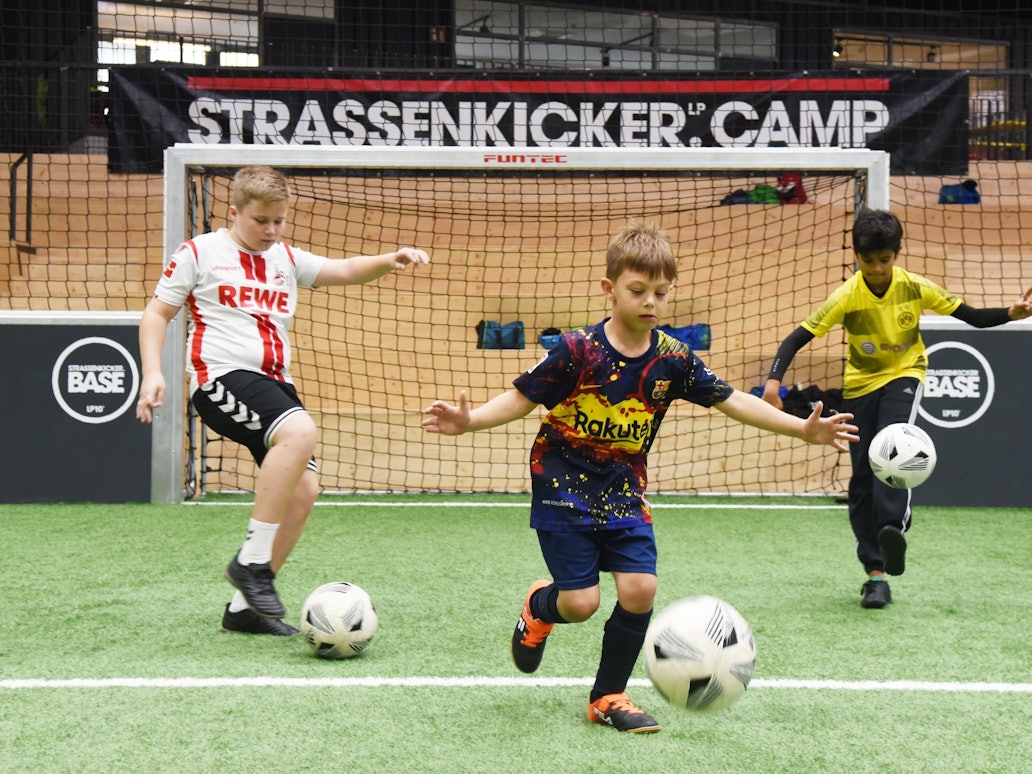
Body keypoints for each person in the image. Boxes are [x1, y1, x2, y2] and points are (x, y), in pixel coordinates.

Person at [422, 219, 858, 733]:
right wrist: (470, 420)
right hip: (562, 485)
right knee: (581, 604)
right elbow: (522, 400)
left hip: (624, 490)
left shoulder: (673, 359)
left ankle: (608, 697)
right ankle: (541, 608)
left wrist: (800, 430)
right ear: (609, 289)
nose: (650, 301)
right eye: (638, 290)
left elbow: (733, 400)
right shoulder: (577, 351)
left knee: (640, 590)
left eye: (661, 293)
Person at [136, 165, 429, 636]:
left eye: (279, 220)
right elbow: (157, 313)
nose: (272, 231)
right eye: (261, 221)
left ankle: (244, 610)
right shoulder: (199, 252)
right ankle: (251, 564)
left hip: (274, 388)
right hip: (221, 380)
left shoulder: (285, 259)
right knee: (301, 430)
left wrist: (386, 259)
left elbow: (342, 270)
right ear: (234, 212)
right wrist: (153, 371)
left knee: (304, 491)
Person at [761, 208, 1032, 610]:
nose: (876, 269)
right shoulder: (847, 295)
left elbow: (971, 317)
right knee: (861, 481)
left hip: (905, 375)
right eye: (867, 261)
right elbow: (795, 338)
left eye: (884, 260)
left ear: (896, 254)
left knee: (893, 445)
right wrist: (772, 382)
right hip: (859, 385)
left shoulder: (914, 287)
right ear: (855, 255)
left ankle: (893, 526)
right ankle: (876, 574)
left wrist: (1011, 314)